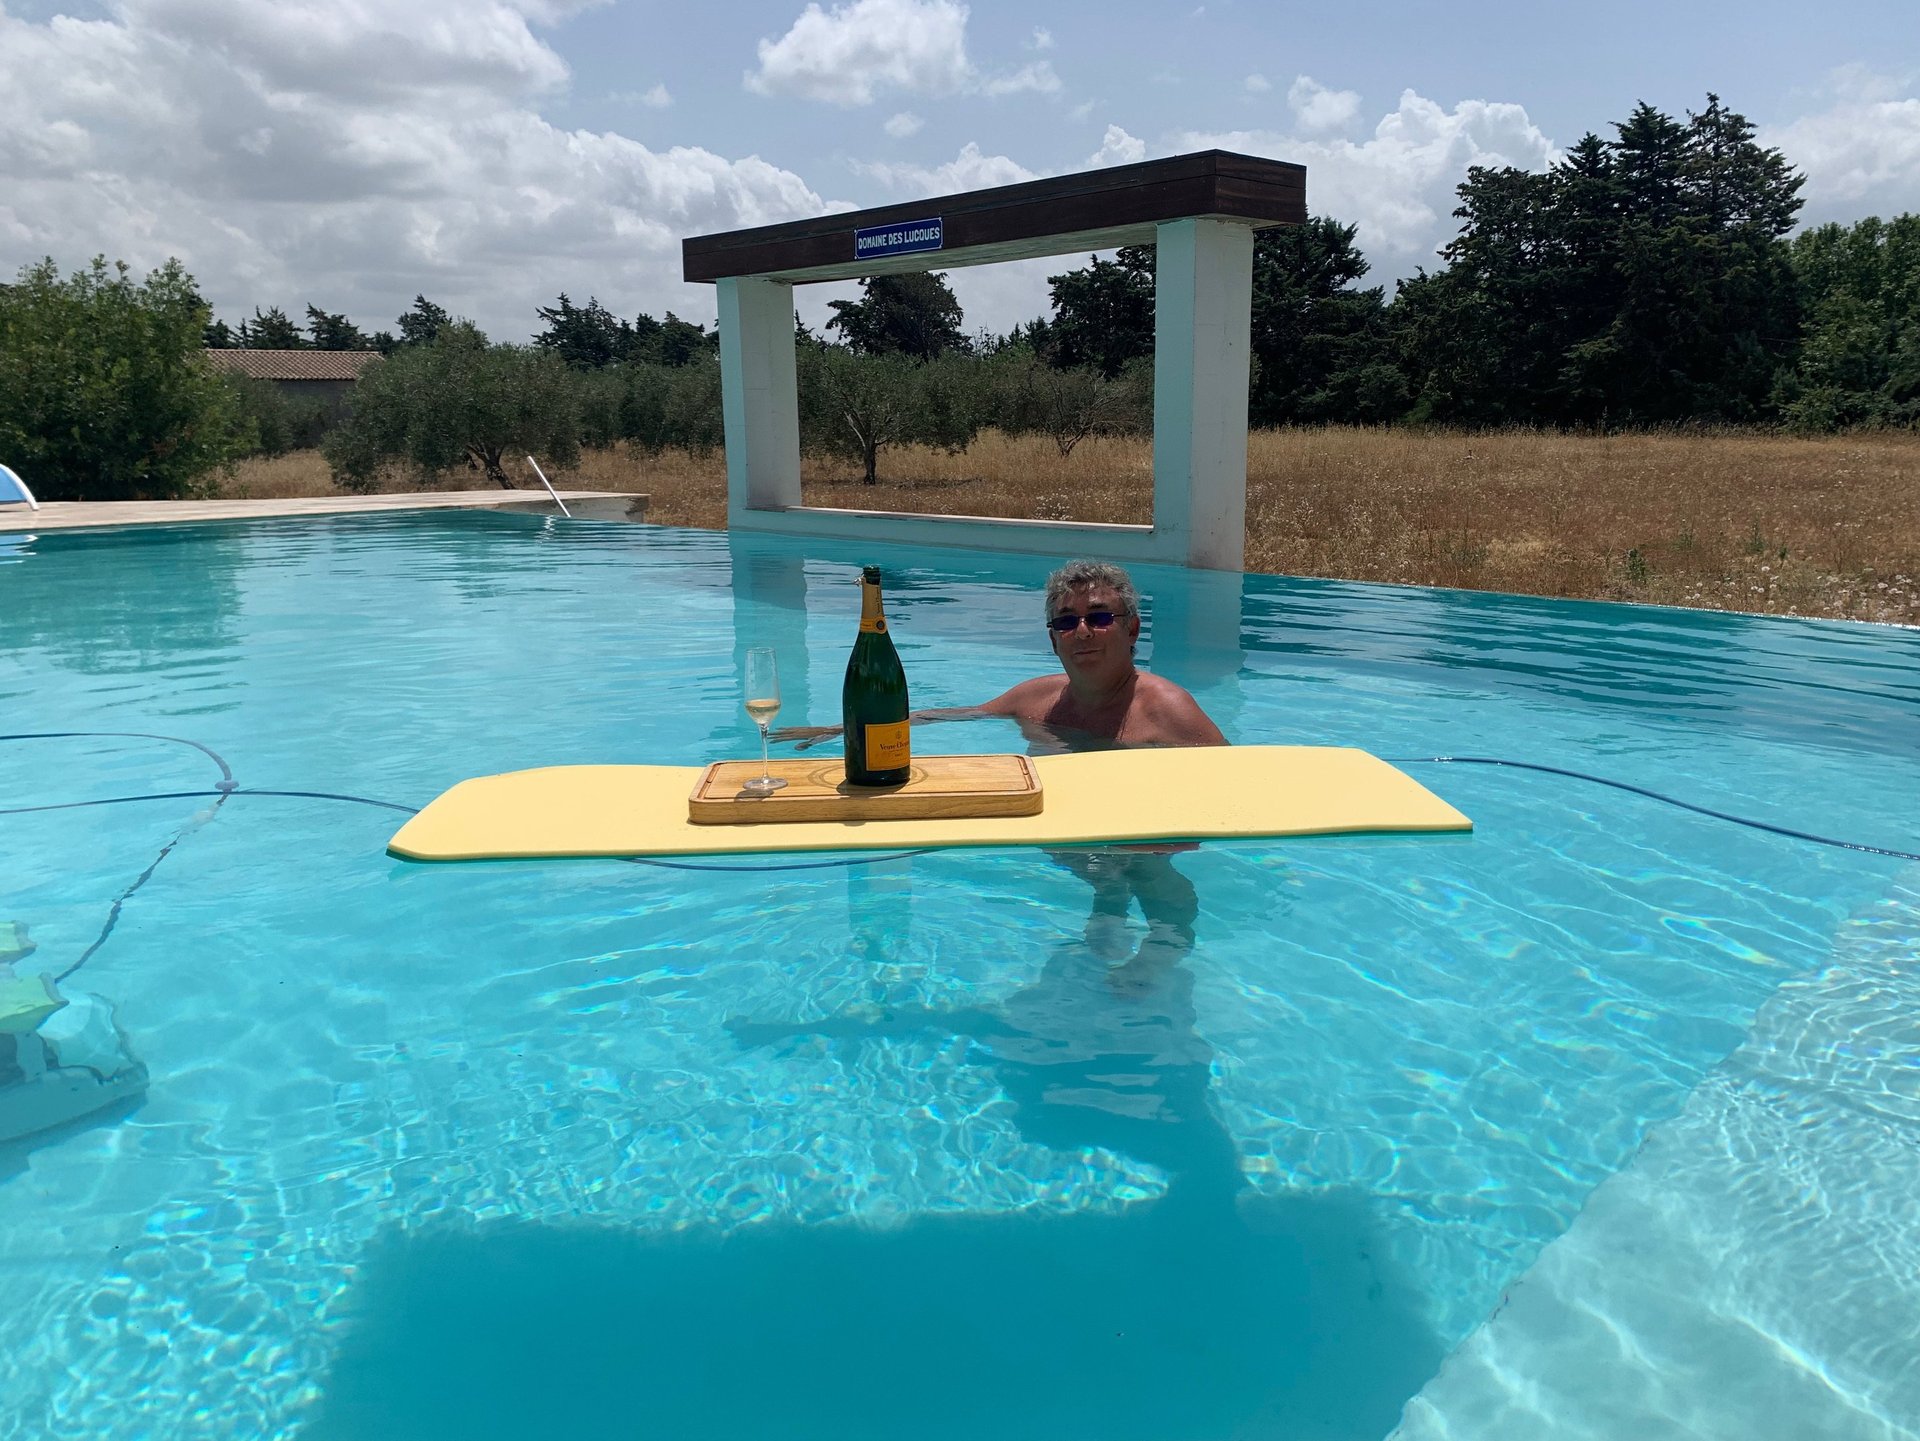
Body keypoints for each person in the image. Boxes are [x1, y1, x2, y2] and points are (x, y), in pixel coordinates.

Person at [776, 559, 1228, 754]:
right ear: (1053, 641)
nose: (1083, 631)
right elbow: (950, 717)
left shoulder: (1166, 709)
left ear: (1132, 629)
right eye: (1066, 622)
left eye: (1100, 617)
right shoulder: (1035, 698)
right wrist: (844, 728)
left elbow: (1239, 780)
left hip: (1144, 848)